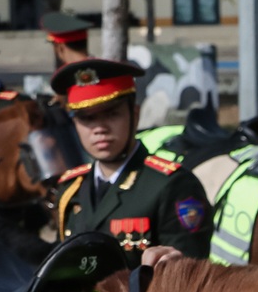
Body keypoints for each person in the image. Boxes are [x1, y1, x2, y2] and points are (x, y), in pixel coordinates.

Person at [50, 58, 211, 260]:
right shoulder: (71, 188)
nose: (99, 128)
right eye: (87, 118)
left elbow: (188, 272)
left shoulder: (173, 186)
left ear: (135, 115)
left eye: (111, 114)